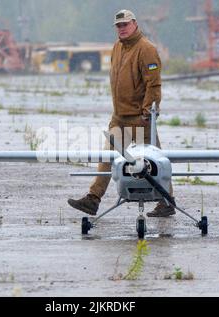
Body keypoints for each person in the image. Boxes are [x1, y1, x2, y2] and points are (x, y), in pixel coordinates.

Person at [68, 9, 176, 217]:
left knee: (156, 162)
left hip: (140, 117)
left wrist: (148, 113)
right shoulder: (117, 47)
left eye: (125, 24)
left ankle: (166, 202)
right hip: (119, 116)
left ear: (134, 24)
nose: (122, 29)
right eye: (118, 26)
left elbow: (153, 84)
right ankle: (93, 199)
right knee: (107, 158)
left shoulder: (146, 49)